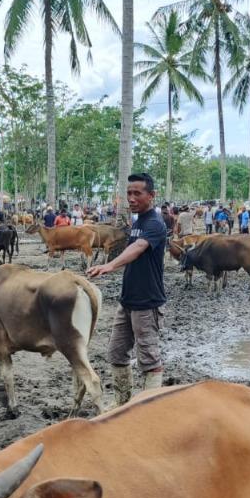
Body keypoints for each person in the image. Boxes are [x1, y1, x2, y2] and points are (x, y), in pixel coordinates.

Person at [88, 173, 167, 404]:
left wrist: (110, 265)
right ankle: (123, 403)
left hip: (147, 302)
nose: (131, 198)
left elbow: (139, 247)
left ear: (151, 196)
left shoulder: (154, 223)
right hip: (128, 301)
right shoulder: (137, 223)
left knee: (149, 360)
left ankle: (148, 408)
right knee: (116, 353)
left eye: (137, 193)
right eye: (129, 193)